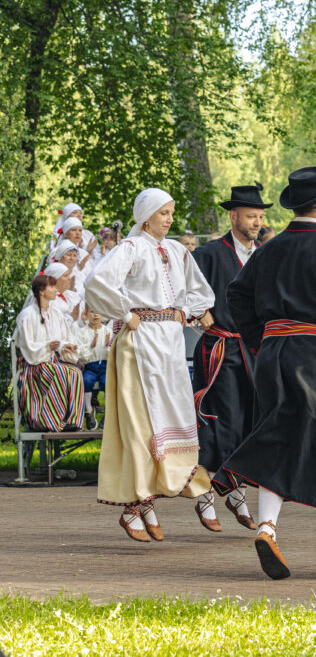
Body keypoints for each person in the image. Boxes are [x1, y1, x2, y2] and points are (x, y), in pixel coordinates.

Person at [212, 166, 316, 579]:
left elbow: (237, 294)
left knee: (278, 435)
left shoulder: (268, 249)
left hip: (273, 354)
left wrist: (259, 338)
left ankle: (267, 527)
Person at [86, 188, 216, 543]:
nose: (169, 219)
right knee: (139, 423)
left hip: (170, 344)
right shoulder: (130, 248)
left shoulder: (176, 249)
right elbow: (97, 282)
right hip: (139, 343)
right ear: (145, 216)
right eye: (163, 213)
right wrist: (125, 314)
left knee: (175, 417)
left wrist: (184, 312)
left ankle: (188, 489)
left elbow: (201, 293)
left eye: (171, 212)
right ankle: (138, 504)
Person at [190, 183, 273, 532]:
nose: (256, 222)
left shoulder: (265, 255)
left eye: (260, 217)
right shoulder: (208, 254)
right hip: (220, 347)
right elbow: (184, 288)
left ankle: (233, 487)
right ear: (233, 215)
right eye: (251, 216)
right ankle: (205, 492)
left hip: (253, 350)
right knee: (219, 419)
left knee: (249, 422)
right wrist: (200, 311)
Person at [16, 274, 85, 434]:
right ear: (41, 291)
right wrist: (48, 346)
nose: (55, 290)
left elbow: (61, 339)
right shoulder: (27, 315)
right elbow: (28, 348)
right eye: (52, 287)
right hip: (33, 365)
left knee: (75, 373)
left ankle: (73, 421)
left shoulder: (55, 313)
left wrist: (65, 347)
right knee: (60, 373)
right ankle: (52, 420)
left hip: (51, 361)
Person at [76, 306, 112, 430]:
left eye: (98, 312)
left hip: (106, 366)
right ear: (86, 314)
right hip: (90, 366)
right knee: (86, 381)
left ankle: (108, 414)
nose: (95, 315)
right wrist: (91, 346)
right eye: (92, 312)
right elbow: (81, 357)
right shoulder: (82, 332)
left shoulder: (108, 331)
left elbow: (113, 354)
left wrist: (108, 346)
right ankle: (89, 411)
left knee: (108, 381)